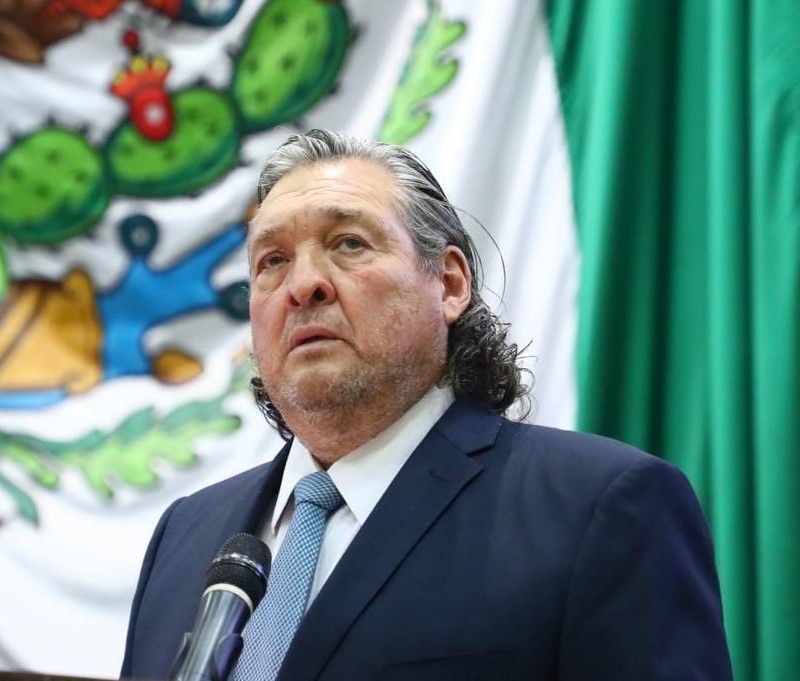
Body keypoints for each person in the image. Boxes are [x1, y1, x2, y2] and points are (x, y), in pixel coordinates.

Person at [120, 129, 733, 680]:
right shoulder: (185, 534)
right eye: (272, 261)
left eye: (349, 243)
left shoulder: (601, 508)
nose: (303, 285)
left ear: (450, 283)